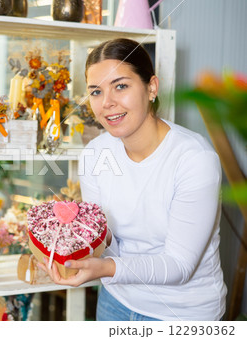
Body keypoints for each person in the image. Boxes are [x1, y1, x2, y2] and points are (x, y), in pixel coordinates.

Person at [39, 38, 226, 321]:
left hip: (182, 313)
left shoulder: (194, 158)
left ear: (151, 87)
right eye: (96, 92)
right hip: (116, 301)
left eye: (121, 86)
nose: (108, 103)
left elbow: (179, 265)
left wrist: (104, 268)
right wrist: (68, 238)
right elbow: (107, 236)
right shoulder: (95, 153)